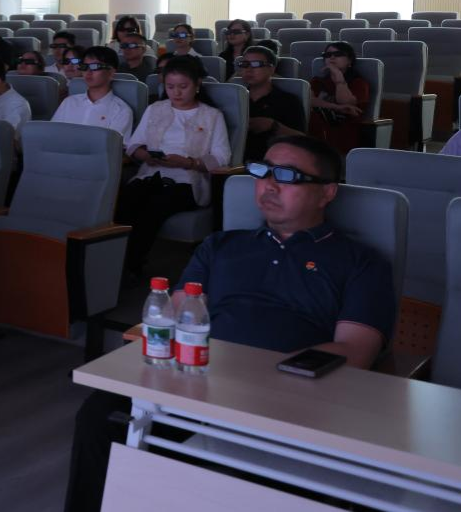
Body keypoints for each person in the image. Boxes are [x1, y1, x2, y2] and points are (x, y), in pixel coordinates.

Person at [65, 136, 394, 512]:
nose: (269, 185)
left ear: (327, 192)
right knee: (102, 415)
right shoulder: (220, 246)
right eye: (262, 171)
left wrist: (263, 377)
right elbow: (175, 314)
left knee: (255, 479)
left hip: (291, 399)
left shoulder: (360, 262)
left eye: (287, 176)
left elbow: (356, 350)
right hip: (199, 381)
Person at [117, 56, 231, 275]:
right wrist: (145, 155)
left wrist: (189, 162)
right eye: (170, 87)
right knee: (124, 202)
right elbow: (133, 144)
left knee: (153, 208)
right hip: (151, 173)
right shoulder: (155, 109)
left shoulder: (212, 116)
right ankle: (112, 261)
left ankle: (130, 267)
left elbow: (221, 156)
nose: (176, 93)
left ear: (197, 85)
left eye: (183, 87)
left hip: (189, 182)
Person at [51, 47, 133, 143]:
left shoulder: (121, 111)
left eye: (95, 67)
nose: (88, 72)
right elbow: (52, 136)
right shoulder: (69, 102)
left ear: (111, 72)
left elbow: (112, 148)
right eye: (85, 67)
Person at [238, 45, 304, 162]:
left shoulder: (288, 100)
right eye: (244, 64)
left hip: (273, 162)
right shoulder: (235, 98)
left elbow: (303, 140)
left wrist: (273, 126)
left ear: (271, 69)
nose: (249, 69)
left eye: (256, 64)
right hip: (235, 161)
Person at [308, 40, 370, 155]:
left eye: (338, 54)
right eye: (327, 55)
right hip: (319, 126)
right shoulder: (317, 81)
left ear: (349, 61)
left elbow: (346, 104)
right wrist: (335, 107)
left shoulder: (359, 83)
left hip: (345, 130)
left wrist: (339, 78)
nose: (332, 57)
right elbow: (309, 101)